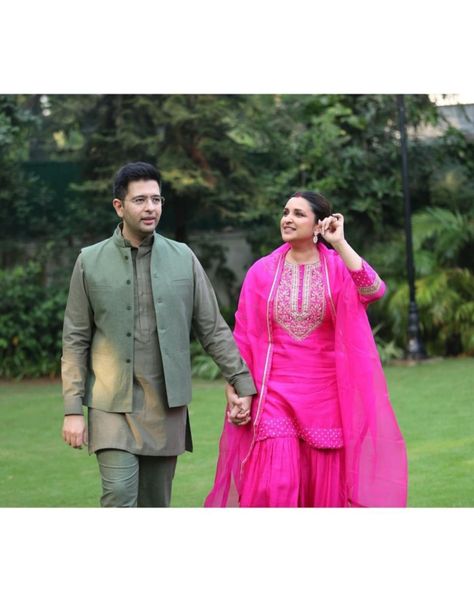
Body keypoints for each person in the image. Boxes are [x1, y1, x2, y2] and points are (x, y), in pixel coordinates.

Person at [61, 161, 256, 507]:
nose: (151, 207)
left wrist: (242, 384)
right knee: (119, 495)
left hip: (165, 406)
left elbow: (211, 327)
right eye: (140, 200)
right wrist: (72, 409)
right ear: (119, 207)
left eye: (156, 199)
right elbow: (75, 338)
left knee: (156, 505)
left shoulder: (184, 258)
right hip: (110, 404)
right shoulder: (88, 262)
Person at [205, 191, 408, 507]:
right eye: (286, 212)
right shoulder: (262, 271)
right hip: (274, 394)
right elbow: (244, 337)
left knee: (321, 489)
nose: (287, 218)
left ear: (318, 225)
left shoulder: (338, 268)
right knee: (276, 483)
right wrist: (237, 386)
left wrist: (339, 243)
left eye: (299, 214)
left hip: (325, 395)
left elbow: (373, 289)